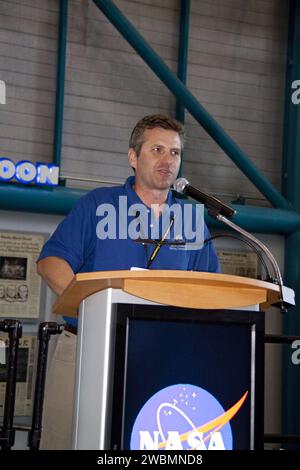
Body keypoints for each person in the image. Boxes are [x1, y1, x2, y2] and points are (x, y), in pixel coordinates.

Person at [37, 114, 220, 449]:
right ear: (133, 157)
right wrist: (92, 309)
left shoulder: (193, 222)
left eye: (175, 153)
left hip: (161, 355)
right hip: (85, 346)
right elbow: (51, 262)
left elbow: (210, 290)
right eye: (157, 149)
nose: (168, 160)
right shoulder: (98, 205)